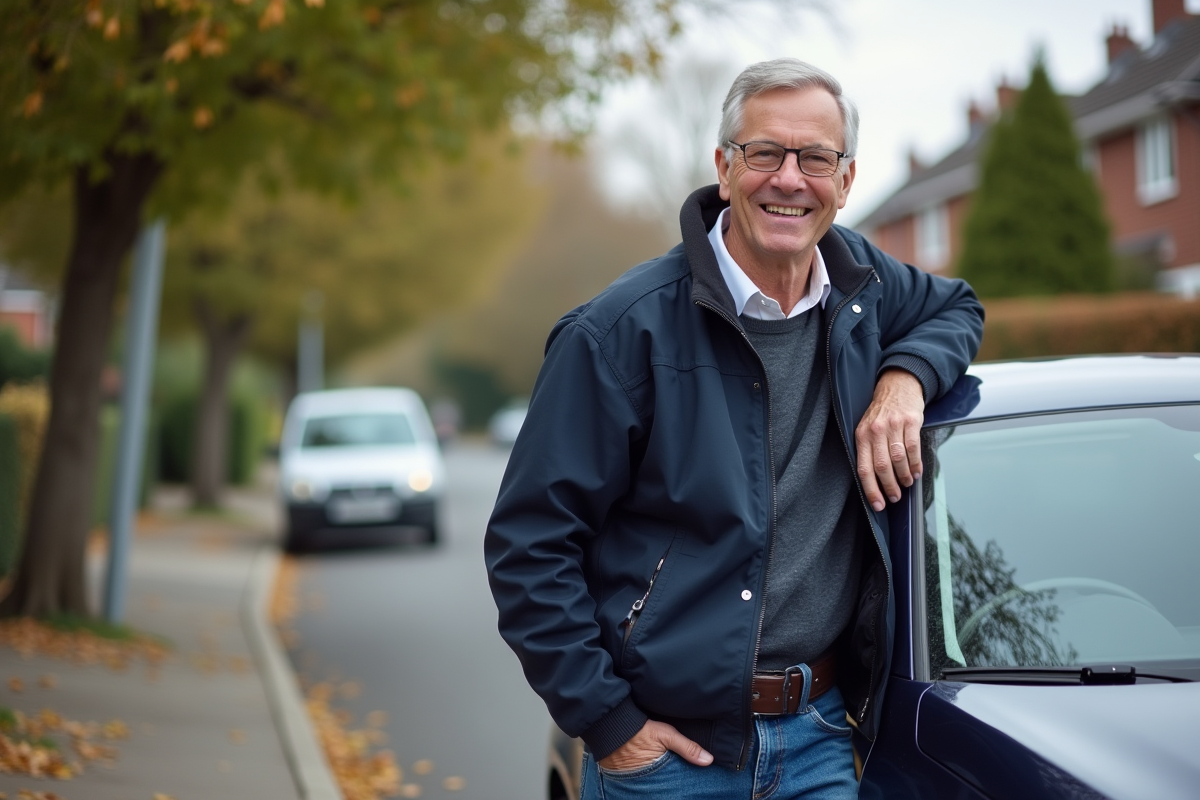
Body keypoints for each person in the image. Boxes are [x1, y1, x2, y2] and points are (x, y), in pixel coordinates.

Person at [485, 58, 984, 799]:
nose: (790, 178)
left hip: (820, 740)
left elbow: (958, 309)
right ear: (724, 168)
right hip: (669, 758)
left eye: (816, 157)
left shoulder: (864, 287)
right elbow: (529, 547)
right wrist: (610, 725)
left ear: (845, 181)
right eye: (764, 154)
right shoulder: (618, 333)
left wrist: (904, 380)